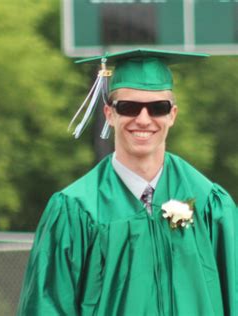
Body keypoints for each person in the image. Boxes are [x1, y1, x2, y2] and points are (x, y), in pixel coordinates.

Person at [17, 49, 237, 315]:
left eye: (158, 108)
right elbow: (46, 306)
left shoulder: (209, 204)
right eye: (129, 107)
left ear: (173, 115)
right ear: (110, 114)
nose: (143, 119)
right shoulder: (76, 210)